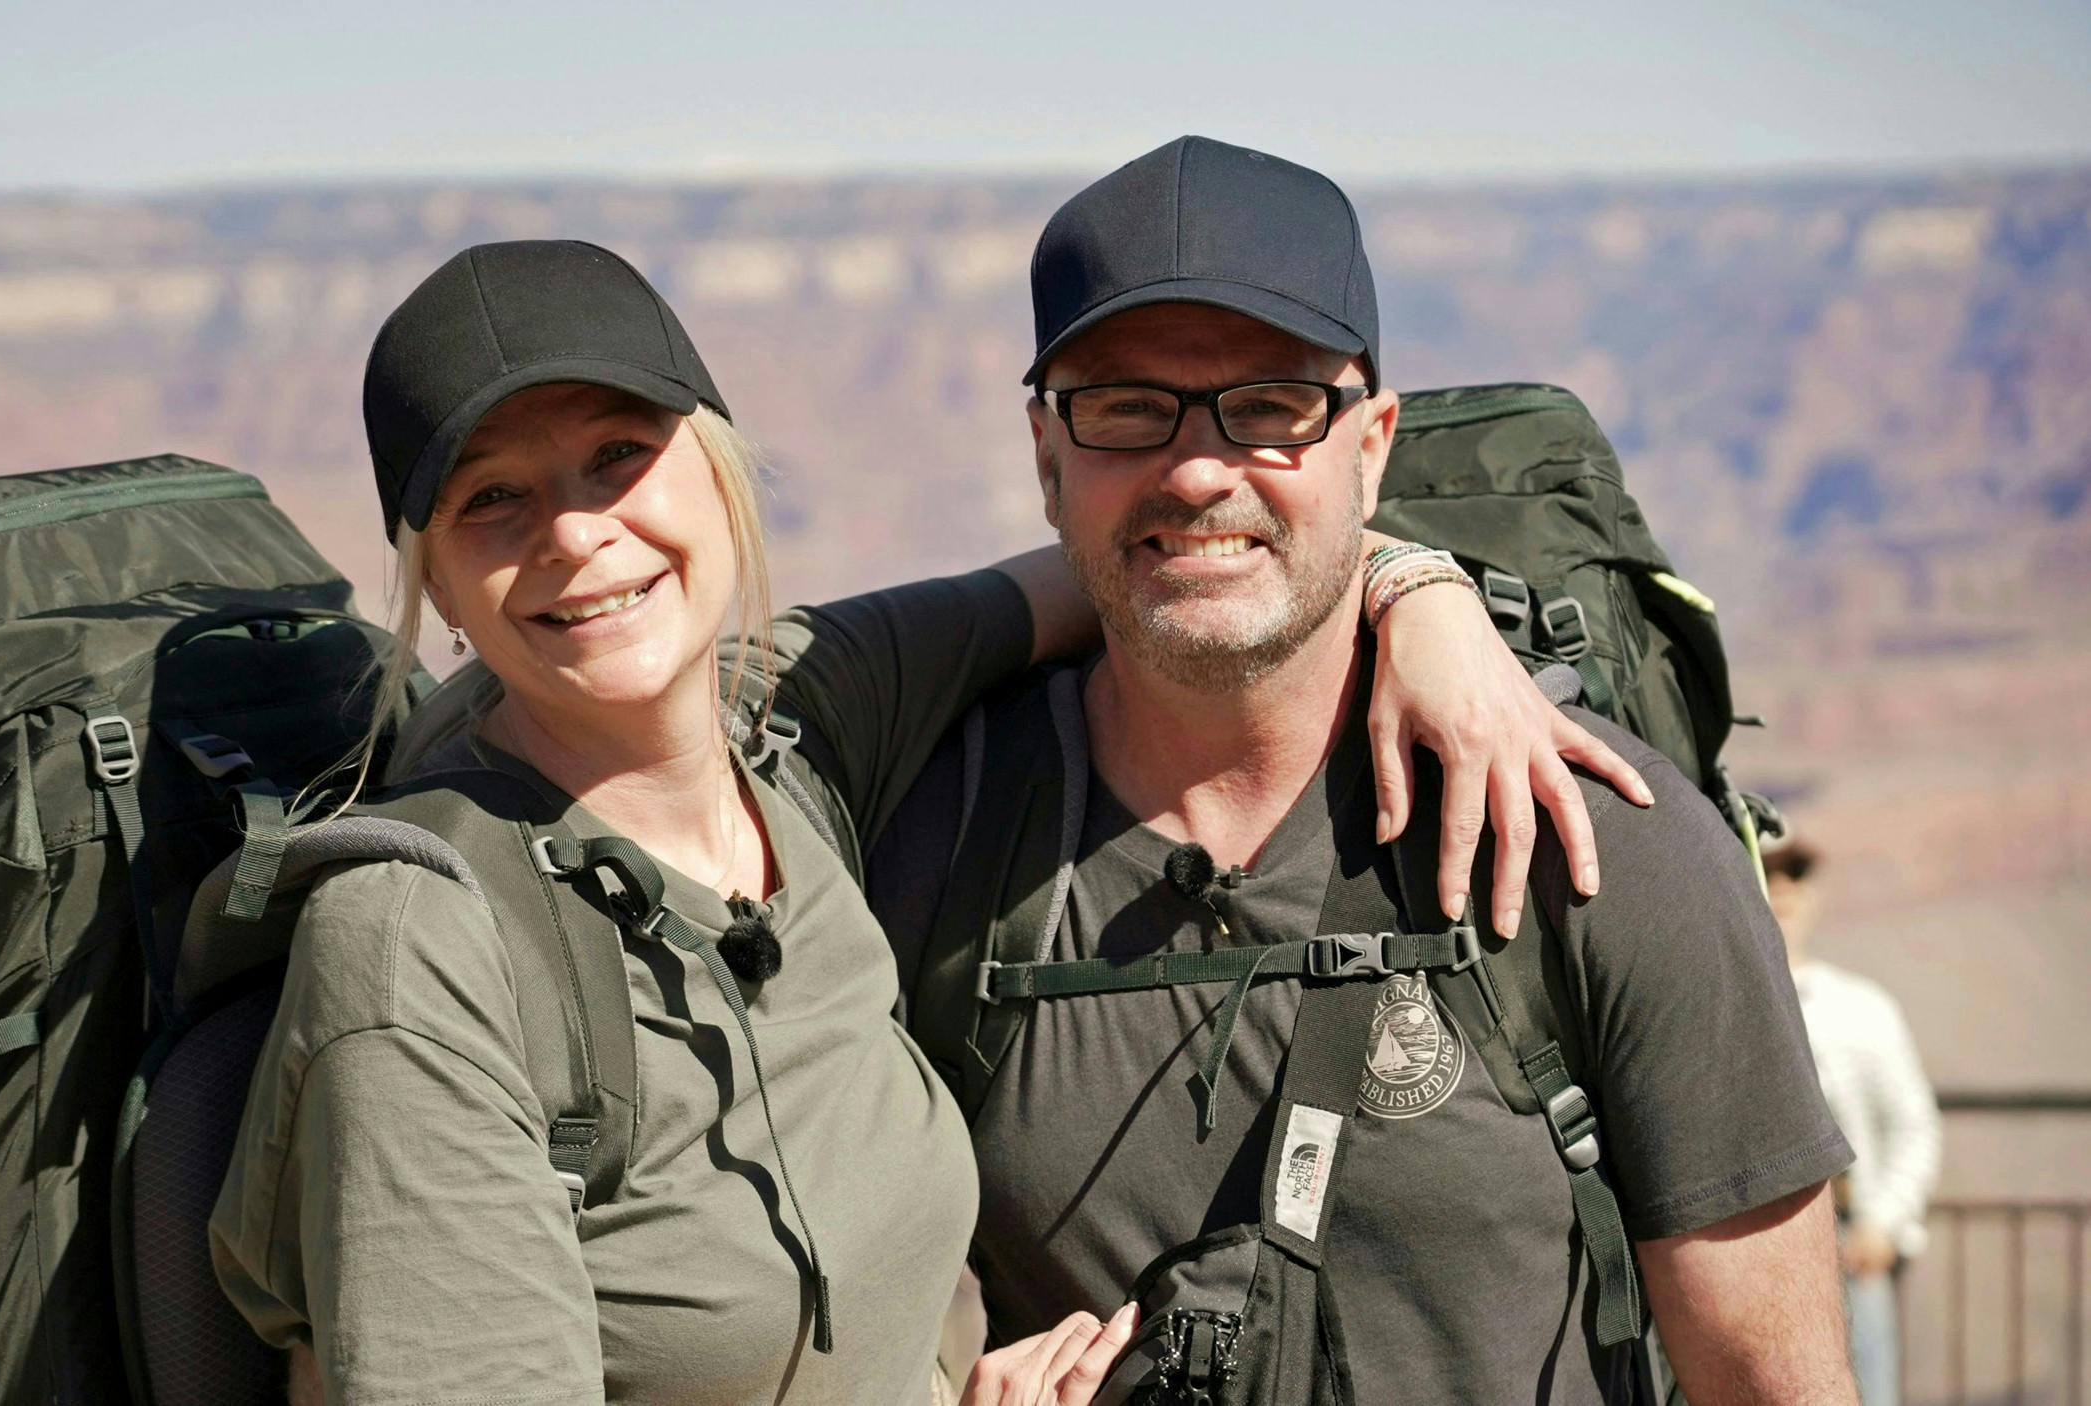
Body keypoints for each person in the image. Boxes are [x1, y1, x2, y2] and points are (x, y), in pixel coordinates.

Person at [202, 238, 1639, 1405]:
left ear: (720, 468)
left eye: (618, 456)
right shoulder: (421, 942)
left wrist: (1418, 593)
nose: (578, 534)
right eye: (492, 499)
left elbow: (1147, 553)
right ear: (437, 586)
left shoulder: (801, 723)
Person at [873, 136, 1863, 1405]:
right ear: (1045, 455)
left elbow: (1775, 1385)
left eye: (1271, 405)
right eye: (1126, 406)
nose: (1196, 464)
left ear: (1372, 443)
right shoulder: (934, 845)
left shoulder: (1599, 839)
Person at [1767, 834, 1940, 1406]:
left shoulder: (1863, 1008)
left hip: (1846, 1237)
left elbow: (1913, 1125)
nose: (1783, 888)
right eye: (1766, 872)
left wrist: (1884, 1224)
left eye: (1795, 874)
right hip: (1753, 1242)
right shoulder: (1716, 1006)